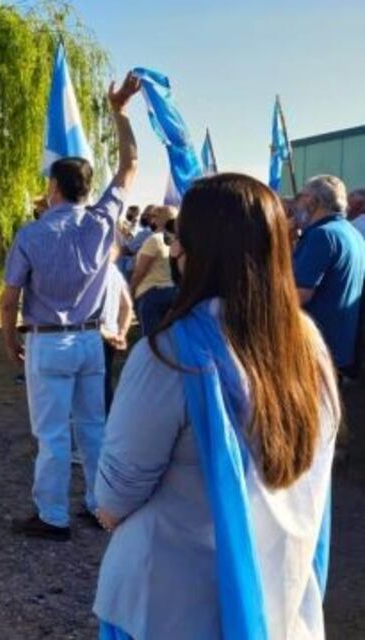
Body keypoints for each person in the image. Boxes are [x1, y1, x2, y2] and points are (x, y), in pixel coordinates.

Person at [94, 174, 338, 639]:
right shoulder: (310, 350)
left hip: (168, 603)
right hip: (277, 598)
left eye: (179, 239)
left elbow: (114, 496)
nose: (175, 250)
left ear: (197, 252)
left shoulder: (168, 356)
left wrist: (108, 513)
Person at [0, 71, 140, 541]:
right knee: (94, 428)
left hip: (49, 342)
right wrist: (120, 115)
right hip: (90, 340)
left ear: (55, 189)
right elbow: (130, 168)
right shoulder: (102, 222)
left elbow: (9, 298)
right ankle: (99, 505)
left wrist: (7, 340)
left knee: (53, 434)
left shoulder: (32, 234)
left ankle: (52, 515)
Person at [292, 175, 365, 376]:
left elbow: (299, 294)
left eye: (301, 196)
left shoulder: (321, 235)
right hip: (339, 349)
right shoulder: (352, 233)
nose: (297, 204)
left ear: (313, 201)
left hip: (315, 348)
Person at [130, 205, 178, 337]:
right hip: (173, 293)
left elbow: (140, 271)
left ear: (159, 219)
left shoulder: (154, 240)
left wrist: (131, 290)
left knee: (151, 341)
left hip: (151, 295)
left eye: (154, 216)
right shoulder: (178, 242)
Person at [100, 244, 134, 412]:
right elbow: (127, 306)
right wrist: (122, 333)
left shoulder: (92, 274)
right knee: (106, 382)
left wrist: (105, 333)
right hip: (113, 334)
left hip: (97, 335)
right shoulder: (115, 272)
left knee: (95, 387)